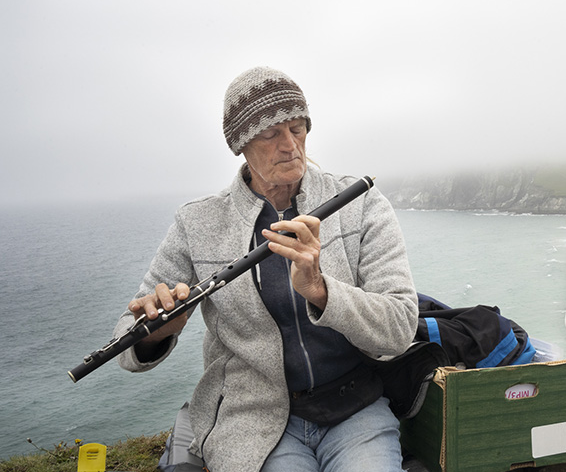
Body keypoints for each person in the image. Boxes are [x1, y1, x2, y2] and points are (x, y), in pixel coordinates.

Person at [114, 67, 419, 472]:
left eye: (297, 128)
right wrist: (158, 329)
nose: (291, 146)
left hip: (354, 405)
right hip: (250, 415)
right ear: (241, 144)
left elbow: (399, 328)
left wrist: (321, 290)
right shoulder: (198, 223)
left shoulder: (359, 203)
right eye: (270, 133)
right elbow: (125, 341)